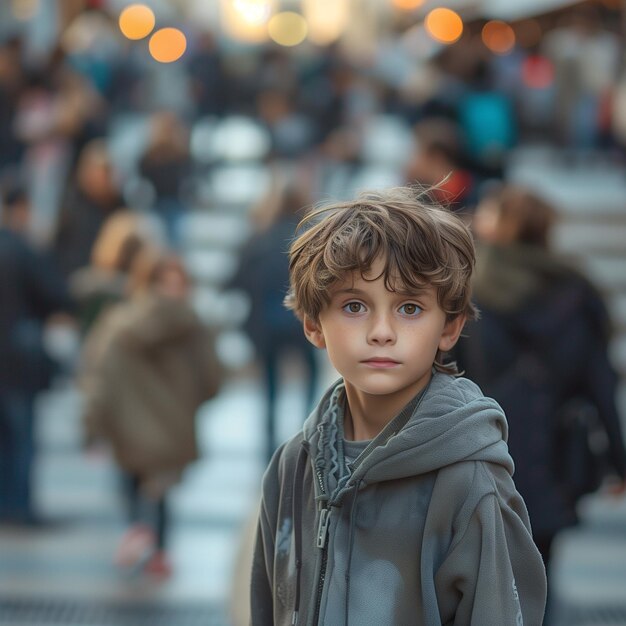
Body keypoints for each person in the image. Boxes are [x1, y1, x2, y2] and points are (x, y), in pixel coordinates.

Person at [250, 186, 547, 625]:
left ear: (449, 327)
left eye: (409, 308)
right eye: (354, 306)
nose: (382, 331)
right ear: (314, 324)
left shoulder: (469, 481)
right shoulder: (292, 465)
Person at [455, 185, 626, 610]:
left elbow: (446, 375)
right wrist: (619, 461)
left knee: (478, 576)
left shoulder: (471, 292)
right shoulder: (577, 292)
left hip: (481, 452)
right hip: (555, 454)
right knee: (540, 574)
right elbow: (601, 384)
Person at [80, 250, 223, 577]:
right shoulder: (195, 326)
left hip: (126, 428)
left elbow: (98, 377)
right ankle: (157, 549)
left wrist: (91, 427)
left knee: (130, 482)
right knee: (161, 492)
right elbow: (213, 380)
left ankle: (137, 532)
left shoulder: (120, 324)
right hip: (172, 430)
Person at [229, 172, 319, 463]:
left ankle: (269, 442)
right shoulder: (312, 238)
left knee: (269, 383)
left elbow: (235, 280)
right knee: (311, 371)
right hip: (302, 320)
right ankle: (310, 428)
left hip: (265, 324)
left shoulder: (258, 237)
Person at [0, 183, 73, 525]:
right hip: (16, 359)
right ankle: (20, 506)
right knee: (22, 436)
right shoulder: (23, 249)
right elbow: (56, 294)